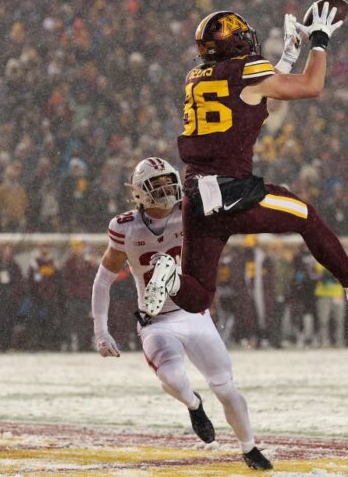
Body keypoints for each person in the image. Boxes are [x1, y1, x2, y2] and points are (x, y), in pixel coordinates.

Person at [143, 4, 348, 332]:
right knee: (305, 216)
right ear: (233, 41)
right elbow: (311, 85)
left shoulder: (196, 77)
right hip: (230, 191)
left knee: (197, 296)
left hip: (196, 196)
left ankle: (170, 278)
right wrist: (319, 40)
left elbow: (254, 104)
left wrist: (285, 62)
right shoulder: (247, 69)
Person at [91, 158, 272, 471]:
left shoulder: (190, 212)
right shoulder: (125, 227)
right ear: (139, 192)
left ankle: (249, 447)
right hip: (156, 321)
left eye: (168, 181)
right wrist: (101, 330)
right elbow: (103, 280)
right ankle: (194, 404)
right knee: (173, 377)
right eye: (157, 184)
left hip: (193, 312)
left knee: (225, 387)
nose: (166, 188)